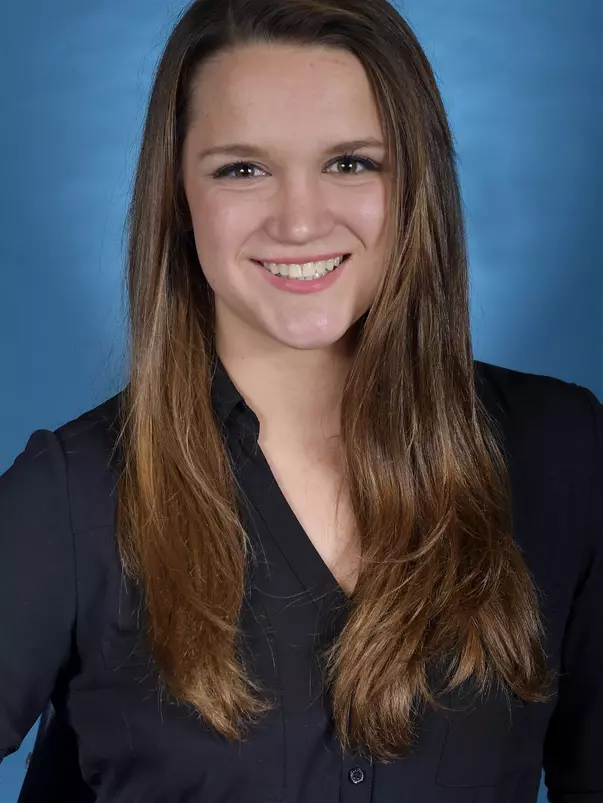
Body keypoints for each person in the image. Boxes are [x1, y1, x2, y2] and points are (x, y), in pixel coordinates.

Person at [1, 0, 601, 800]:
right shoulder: (69, 495)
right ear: (178, 196)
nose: (299, 219)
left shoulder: (561, 451)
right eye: (241, 168)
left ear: (414, 181)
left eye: (351, 162)